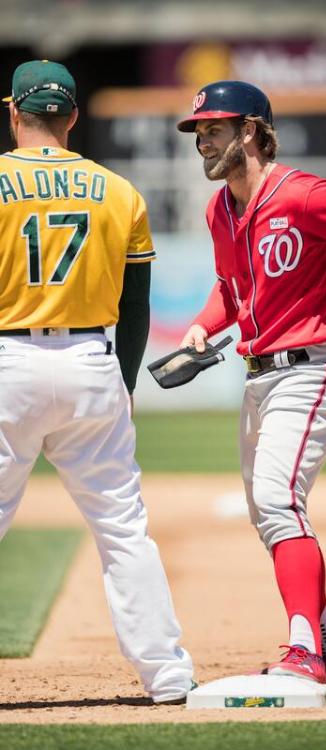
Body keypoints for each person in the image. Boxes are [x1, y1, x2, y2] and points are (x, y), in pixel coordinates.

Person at [177, 80, 326, 687]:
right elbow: (233, 289)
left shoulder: (303, 194)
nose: (203, 140)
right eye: (199, 131)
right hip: (260, 379)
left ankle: (303, 651)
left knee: (279, 504)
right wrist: (203, 326)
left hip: (314, 371)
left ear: (251, 131)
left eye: (215, 128)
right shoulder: (219, 208)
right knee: (270, 516)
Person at [0, 60, 193, 703]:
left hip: (8, 363)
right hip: (91, 362)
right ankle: (167, 676)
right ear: (74, 117)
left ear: (13, 112)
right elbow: (136, 305)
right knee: (121, 527)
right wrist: (123, 381)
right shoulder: (119, 191)